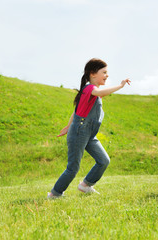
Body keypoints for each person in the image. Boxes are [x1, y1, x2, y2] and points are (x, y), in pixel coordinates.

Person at [48, 58, 131, 198]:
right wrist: (120, 86)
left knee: (104, 161)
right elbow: (101, 93)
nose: (107, 75)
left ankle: (86, 185)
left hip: (89, 135)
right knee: (72, 168)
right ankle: (55, 194)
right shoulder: (90, 88)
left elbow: (77, 110)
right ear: (93, 74)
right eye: (104, 72)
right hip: (80, 132)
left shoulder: (91, 92)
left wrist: (67, 126)